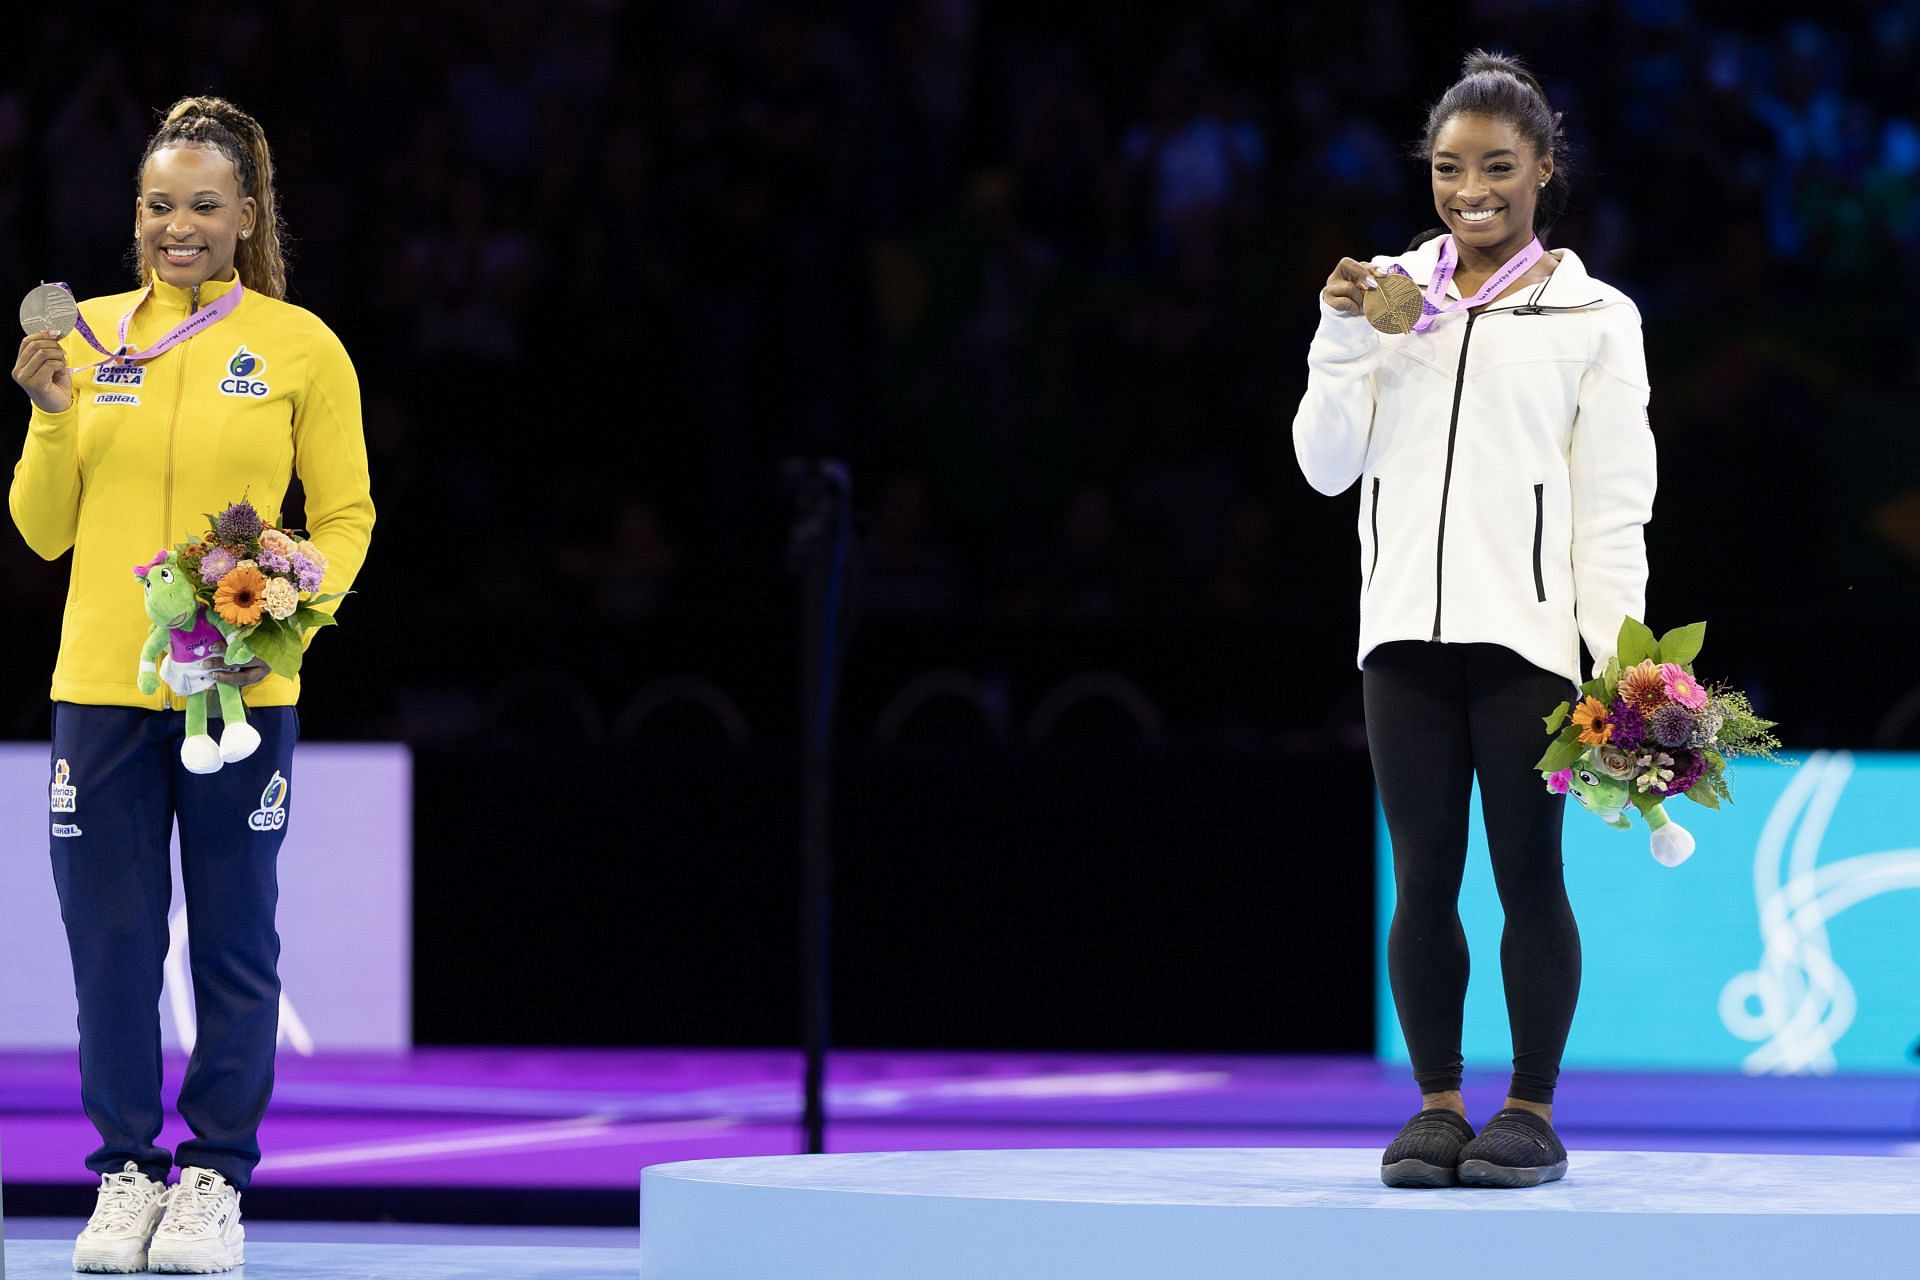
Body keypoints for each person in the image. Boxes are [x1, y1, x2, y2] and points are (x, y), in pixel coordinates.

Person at [10, 96, 373, 1271]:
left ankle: (214, 1176)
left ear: (246, 215)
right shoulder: (91, 339)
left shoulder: (302, 344)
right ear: (137, 216)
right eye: (159, 205)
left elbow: (348, 514)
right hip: (102, 691)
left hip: (241, 695)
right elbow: (41, 534)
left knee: (232, 940)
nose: (179, 226)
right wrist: (51, 418)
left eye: (204, 206)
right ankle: (124, 1173)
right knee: (108, 941)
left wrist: (291, 622)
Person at [1291, 51, 1655, 1189]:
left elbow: (1611, 505)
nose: (1472, 190)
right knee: (1425, 876)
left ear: (1546, 169)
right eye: (1450, 169)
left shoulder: (1595, 315)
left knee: (1527, 874)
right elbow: (1322, 467)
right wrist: (1344, 335)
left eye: (1499, 166)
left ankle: (1532, 1107)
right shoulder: (1387, 295)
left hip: (1530, 644)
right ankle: (1439, 1102)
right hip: (1399, 634)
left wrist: (1625, 668)